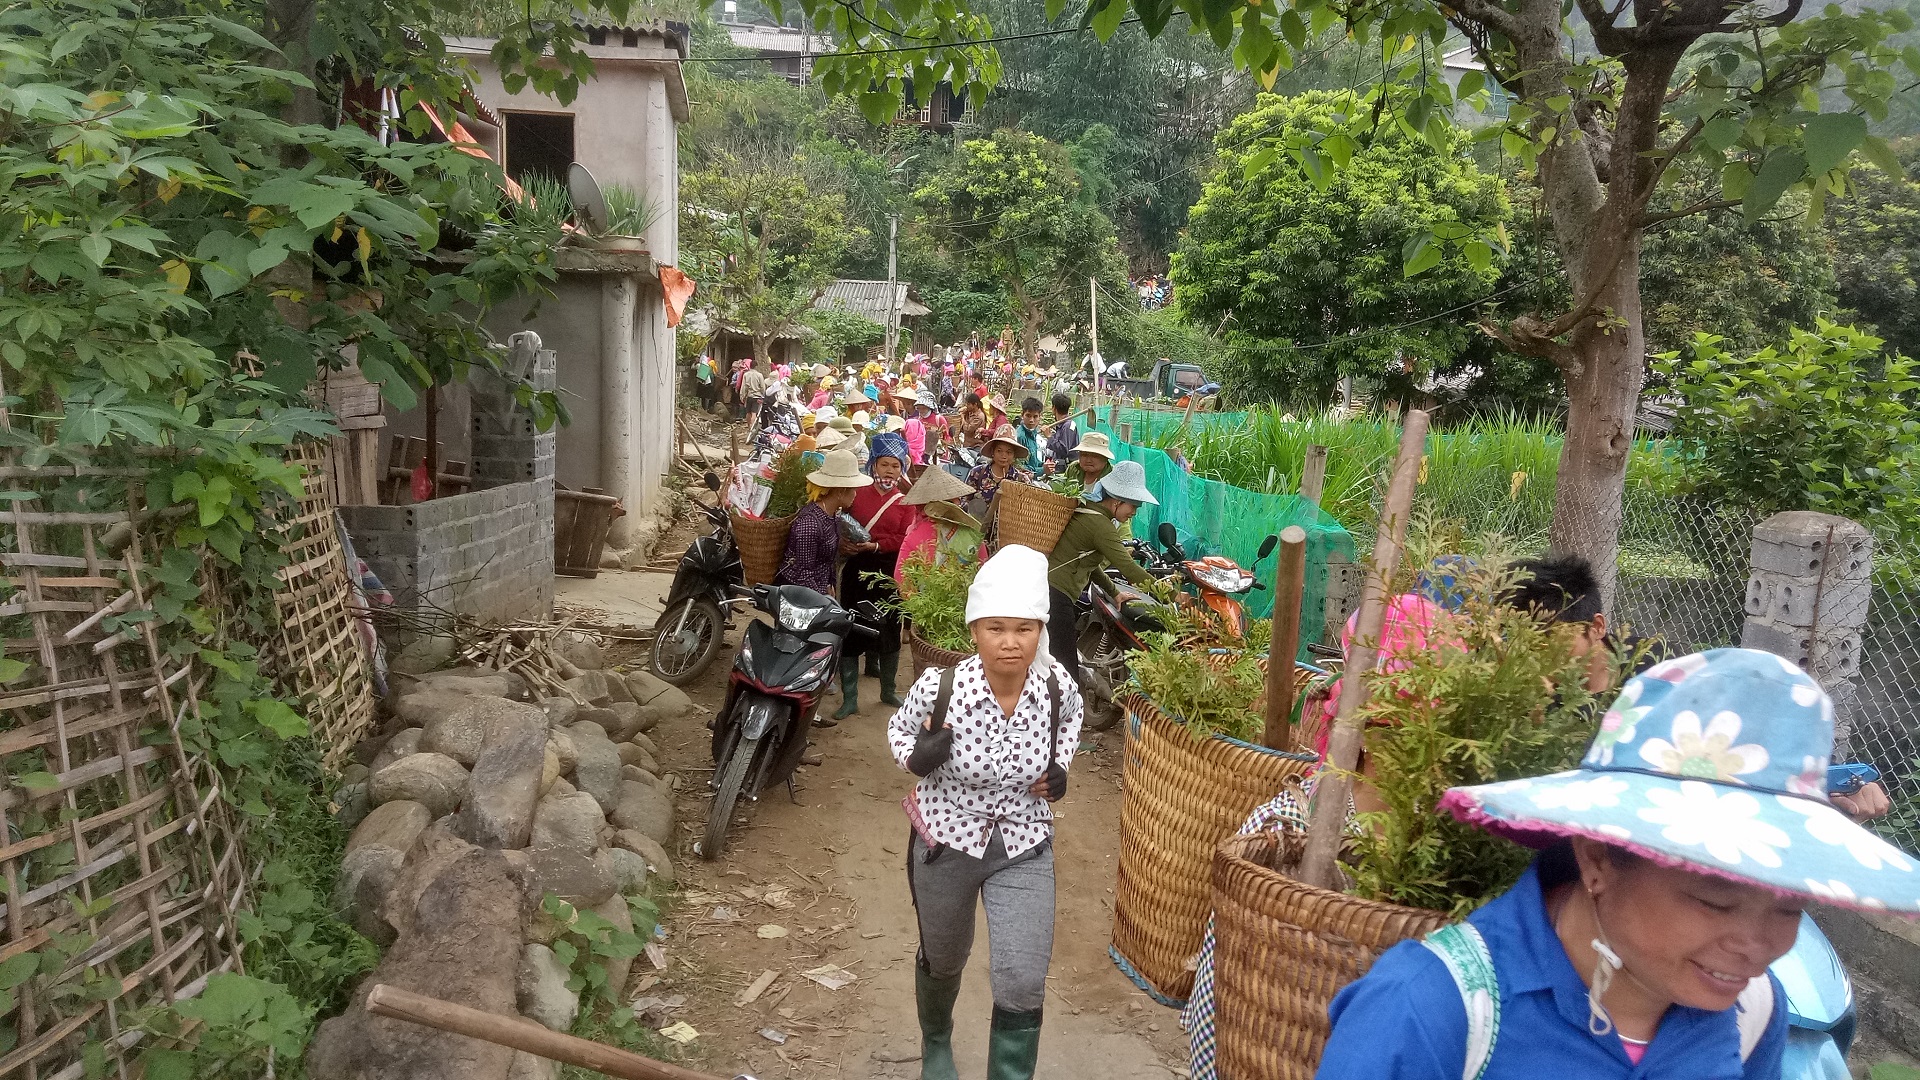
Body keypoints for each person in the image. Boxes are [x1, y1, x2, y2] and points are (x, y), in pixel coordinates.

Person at [1318, 647, 1920, 1079]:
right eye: (1716, 901)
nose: (1756, 946)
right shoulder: (1429, 1011)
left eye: (1790, 907)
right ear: (1597, 857)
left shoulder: (1754, 1014)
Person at [888, 545, 1084, 1080]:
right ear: (975, 630)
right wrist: (918, 757)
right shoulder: (942, 688)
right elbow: (900, 731)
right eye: (996, 627)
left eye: (1024, 628)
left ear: (1040, 631)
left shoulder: (1056, 687)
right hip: (945, 843)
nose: (1010, 641)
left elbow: (1071, 722)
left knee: (1022, 978)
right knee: (944, 956)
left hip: (1024, 844)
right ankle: (936, 1043)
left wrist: (1059, 767)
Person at [1044, 459, 1158, 681]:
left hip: (1052, 590)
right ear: (1117, 501)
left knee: (1055, 663)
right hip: (1056, 594)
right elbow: (1129, 568)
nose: (1134, 512)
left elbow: (1090, 565)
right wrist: (1172, 596)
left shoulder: (1093, 514)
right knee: (1065, 673)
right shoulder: (1101, 526)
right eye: (1133, 506)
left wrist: (1114, 592)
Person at [832, 432, 916, 722]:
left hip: (888, 574)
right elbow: (840, 522)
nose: (889, 471)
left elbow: (904, 538)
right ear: (873, 465)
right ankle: (850, 699)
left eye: (895, 465)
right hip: (856, 571)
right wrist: (843, 543)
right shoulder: (857, 493)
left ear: (902, 468)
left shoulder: (906, 502)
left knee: (889, 629)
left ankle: (888, 691)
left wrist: (877, 545)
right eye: (884, 464)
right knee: (852, 627)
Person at [774, 448, 871, 596]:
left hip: (818, 592)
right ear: (841, 491)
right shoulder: (810, 524)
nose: (855, 494)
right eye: (853, 489)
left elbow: (826, 562)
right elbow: (803, 574)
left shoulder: (833, 515)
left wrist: (829, 585)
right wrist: (824, 599)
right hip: (798, 597)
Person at [897, 467, 983, 580]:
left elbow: (901, 577)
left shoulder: (914, 534)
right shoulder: (972, 533)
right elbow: (983, 570)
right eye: (957, 499)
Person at [967, 425, 1035, 509]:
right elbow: (965, 500)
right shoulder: (977, 473)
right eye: (999, 451)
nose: (1004, 456)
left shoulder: (1021, 479)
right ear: (993, 452)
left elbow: (1028, 507)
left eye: (1009, 452)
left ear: (1014, 455)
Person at [1042, 393, 1077, 472]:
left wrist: (1049, 437)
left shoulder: (1068, 426)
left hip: (1066, 469)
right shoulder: (1061, 425)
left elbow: (1064, 450)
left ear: (1054, 408)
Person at [1014, 398, 1046, 464]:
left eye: (1035, 416)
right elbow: (1020, 466)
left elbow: (1034, 461)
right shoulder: (1020, 436)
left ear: (1040, 417)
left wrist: (1045, 465)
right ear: (1022, 415)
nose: (1031, 420)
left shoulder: (1033, 433)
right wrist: (1043, 469)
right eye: (1028, 416)